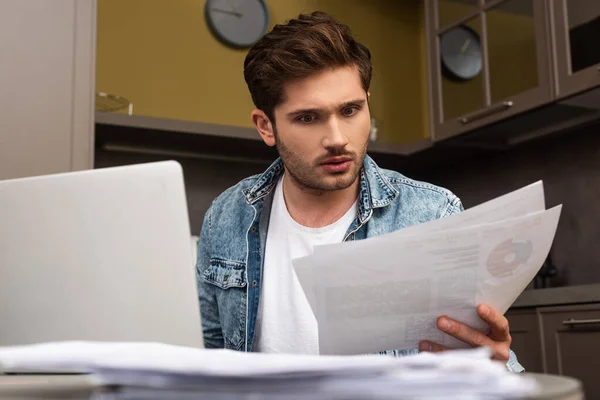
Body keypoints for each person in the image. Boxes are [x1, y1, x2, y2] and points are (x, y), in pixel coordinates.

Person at [195, 11, 523, 373]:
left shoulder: (433, 213)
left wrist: (494, 364)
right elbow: (205, 359)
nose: (337, 139)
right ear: (266, 126)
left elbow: (492, 365)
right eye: (307, 117)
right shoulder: (226, 216)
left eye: (350, 110)